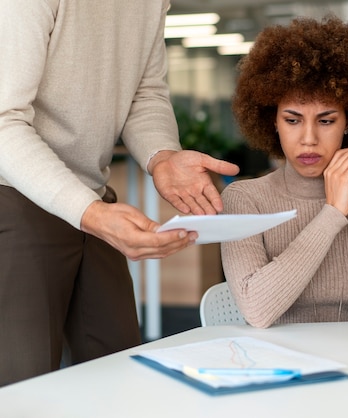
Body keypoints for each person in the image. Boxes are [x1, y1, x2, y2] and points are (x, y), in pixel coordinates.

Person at [0, 1, 239, 386]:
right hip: (15, 195)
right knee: (21, 385)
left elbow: (145, 95)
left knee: (118, 370)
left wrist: (162, 156)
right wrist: (90, 212)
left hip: (92, 196)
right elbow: (3, 120)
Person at [221, 15, 348, 329]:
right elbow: (257, 310)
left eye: (326, 120)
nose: (308, 138)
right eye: (292, 120)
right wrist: (332, 213)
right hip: (279, 363)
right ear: (272, 122)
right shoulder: (244, 198)